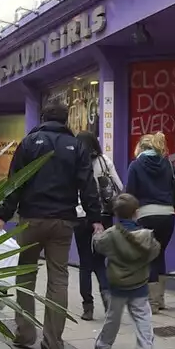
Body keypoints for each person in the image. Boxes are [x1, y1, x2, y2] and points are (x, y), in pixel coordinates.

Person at [0, 100, 99, 349]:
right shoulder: (77, 146)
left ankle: (25, 333)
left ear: (42, 118)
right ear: (65, 121)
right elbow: (88, 185)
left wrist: (2, 215)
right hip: (63, 221)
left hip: (31, 219)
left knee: (26, 276)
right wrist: (95, 217)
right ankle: (53, 341)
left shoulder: (29, 143)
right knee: (58, 279)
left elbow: (15, 182)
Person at [92, 194, 161, 349]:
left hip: (118, 284)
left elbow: (99, 245)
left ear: (116, 214)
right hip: (140, 283)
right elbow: (155, 250)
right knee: (142, 315)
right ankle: (145, 346)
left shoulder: (111, 234)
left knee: (113, 316)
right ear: (136, 213)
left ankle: (104, 344)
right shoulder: (146, 235)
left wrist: (96, 234)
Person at [125, 131, 175, 313]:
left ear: (140, 147)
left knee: (148, 256)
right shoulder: (166, 163)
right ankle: (160, 299)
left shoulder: (135, 165)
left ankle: (152, 303)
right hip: (167, 214)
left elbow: (130, 193)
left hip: (146, 214)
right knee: (160, 253)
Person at [73, 131, 119, 321]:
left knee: (85, 263)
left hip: (80, 216)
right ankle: (108, 299)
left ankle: (88, 308)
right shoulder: (104, 161)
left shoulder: (73, 163)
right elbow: (118, 185)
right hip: (103, 216)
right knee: (100, 261)